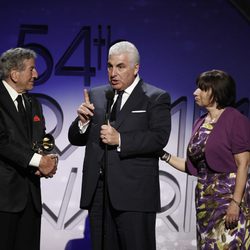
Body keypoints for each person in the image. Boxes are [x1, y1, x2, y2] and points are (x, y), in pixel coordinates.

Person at [68, 41, 171, 250]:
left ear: (136, 68)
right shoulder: (98, 95)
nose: (113, 73)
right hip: (99, 193)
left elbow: (159, 138)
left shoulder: (155, 97)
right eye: (110, 66)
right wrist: (83, 122)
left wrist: (120, 140)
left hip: (134, 194)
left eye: (120, 66)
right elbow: (75, 138)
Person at [159, 69, 250, 249]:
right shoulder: (201, 122)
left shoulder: (235, 119)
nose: (195, 92)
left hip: (228, 199)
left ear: (216, 92)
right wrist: (163, 155)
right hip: (205, 202)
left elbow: (243, 164)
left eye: (201, 88)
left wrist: (235, 203)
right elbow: (192, 167)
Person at [0, 47, 58, 250]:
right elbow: (2, 141)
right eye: (32, 69)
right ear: (14, 74)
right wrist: (37, 161)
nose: (36, 74)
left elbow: (38, 140)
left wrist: (47, 159)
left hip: (30, 199)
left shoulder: (34, 104)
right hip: (4, 200)